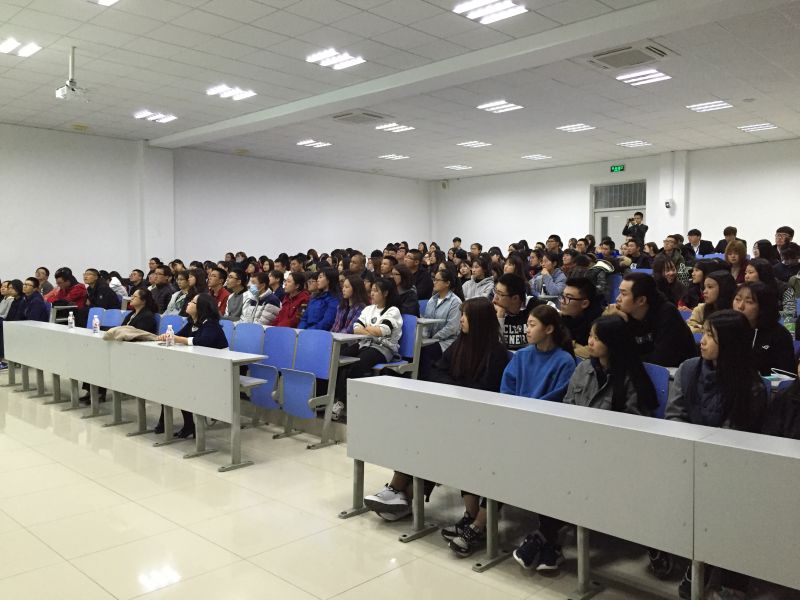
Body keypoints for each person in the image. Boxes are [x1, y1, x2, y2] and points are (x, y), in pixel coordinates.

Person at [364, 298, 511, 521]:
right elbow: (436, 371)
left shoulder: (496, 353)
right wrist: (455, 387)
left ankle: (400, 494)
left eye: (466, 315)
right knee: (421, 431)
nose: (461, 319)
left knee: (433, 439)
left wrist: (454, 387)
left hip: (478, 419)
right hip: (452, 412)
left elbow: (485, 389)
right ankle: (399, 494)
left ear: (479, 320)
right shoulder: (461, 343)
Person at [449, 305, 575, 559]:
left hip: (542, 430)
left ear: (549, 329)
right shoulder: (522, 356)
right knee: (472, 449)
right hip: (513, 424)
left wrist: (524, 413)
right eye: (527, 324)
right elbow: (506, 389)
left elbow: (557, 398)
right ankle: (472, 516)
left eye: (532, 325)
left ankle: (478, 526)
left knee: (502, 463)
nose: (527, 330)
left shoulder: (565, 361)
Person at [666, 310, 767, 600]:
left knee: (726, 502)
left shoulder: (750, 386)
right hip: (688, 456)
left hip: (731, 468)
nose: (702, 340)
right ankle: (696, 559)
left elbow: (735, 435)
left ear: (731, 344)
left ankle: (728, 573)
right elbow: (675, 415)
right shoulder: (688, 369)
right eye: (704, 333)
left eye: (711, 336)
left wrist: (704, 456)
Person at [156, 293, 228, 438]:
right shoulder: (192, 324)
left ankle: (188, 425)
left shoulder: (211, 325)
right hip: (200, 367)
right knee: (170, 382)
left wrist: (178, 338)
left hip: (219, 369)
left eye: (193, 302)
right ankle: (182, 424)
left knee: (181, 383)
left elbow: (202, 342)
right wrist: (168, 337)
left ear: (201, 307)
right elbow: (178, 337)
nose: (188, 303)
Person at [332, 278, 403, 421]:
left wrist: (367, 329)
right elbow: (356, 328)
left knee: (358, 363)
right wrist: (370, 330)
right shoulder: (368, 308)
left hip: (383, 348)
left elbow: (382, 331)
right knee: (340, 358)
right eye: (372, 290)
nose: (372, 293)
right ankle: (335, 399)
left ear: (385, 293)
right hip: (364, 343)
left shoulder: (393, 310)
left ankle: (344, 402)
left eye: (376, 291)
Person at [564, 314, 658, 415]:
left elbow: (633, 418)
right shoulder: (583, 368)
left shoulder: (631, 377)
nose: (590, 342)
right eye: (590, 335)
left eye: (597, 338)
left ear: (612, 341)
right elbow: (568, 403)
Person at [612, 272, 697, 367]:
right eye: (619, 292)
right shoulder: (622, 314)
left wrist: (628, 359)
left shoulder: (667, 313)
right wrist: (610, 321)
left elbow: (664, 358)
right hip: (642, 369)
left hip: (675, 371)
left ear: (641, 300)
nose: (617, 298)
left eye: (623, 294)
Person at [732, 282, 795, 376]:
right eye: (737, 299)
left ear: (763, 307)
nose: (740, 306)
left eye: (749, 302)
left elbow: (786, 375)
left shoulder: (779, 335)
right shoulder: (729, 328)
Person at [419, 268, 463, 379]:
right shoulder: (432, 300)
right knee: (416, 347)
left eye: (437, 280)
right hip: (431, 339)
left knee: (426, 351)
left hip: (447, 341)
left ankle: (425, 380)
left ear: (447, 283)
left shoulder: (455, 302)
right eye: (434, 279)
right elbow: (427, 322)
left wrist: (433, 339)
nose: (434, 282)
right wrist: (423, 338)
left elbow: (452, 327)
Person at [493, 273, 543, 350]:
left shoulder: (534, 305)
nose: (495, 298)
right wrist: (500, 316)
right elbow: (494, 347)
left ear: (515, 298)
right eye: (495, 291)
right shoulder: (493, 310)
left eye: (500, 294)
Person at [560, 277, 603, 359]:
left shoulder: (599, 324)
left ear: (584, 304)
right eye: (563, 296)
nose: (562, 301)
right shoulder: (563, 318)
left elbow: (593, 351)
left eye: (568, 298)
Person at [0, 280, 25, 368]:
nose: (9, 290)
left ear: (18, 288)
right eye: (9, 288)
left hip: (20, 325)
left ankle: (1, 358)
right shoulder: (15, 300)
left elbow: (18, 317)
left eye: (12, 288)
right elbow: (9, 316)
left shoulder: (22, 300)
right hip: (11, 323)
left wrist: (7, 323)